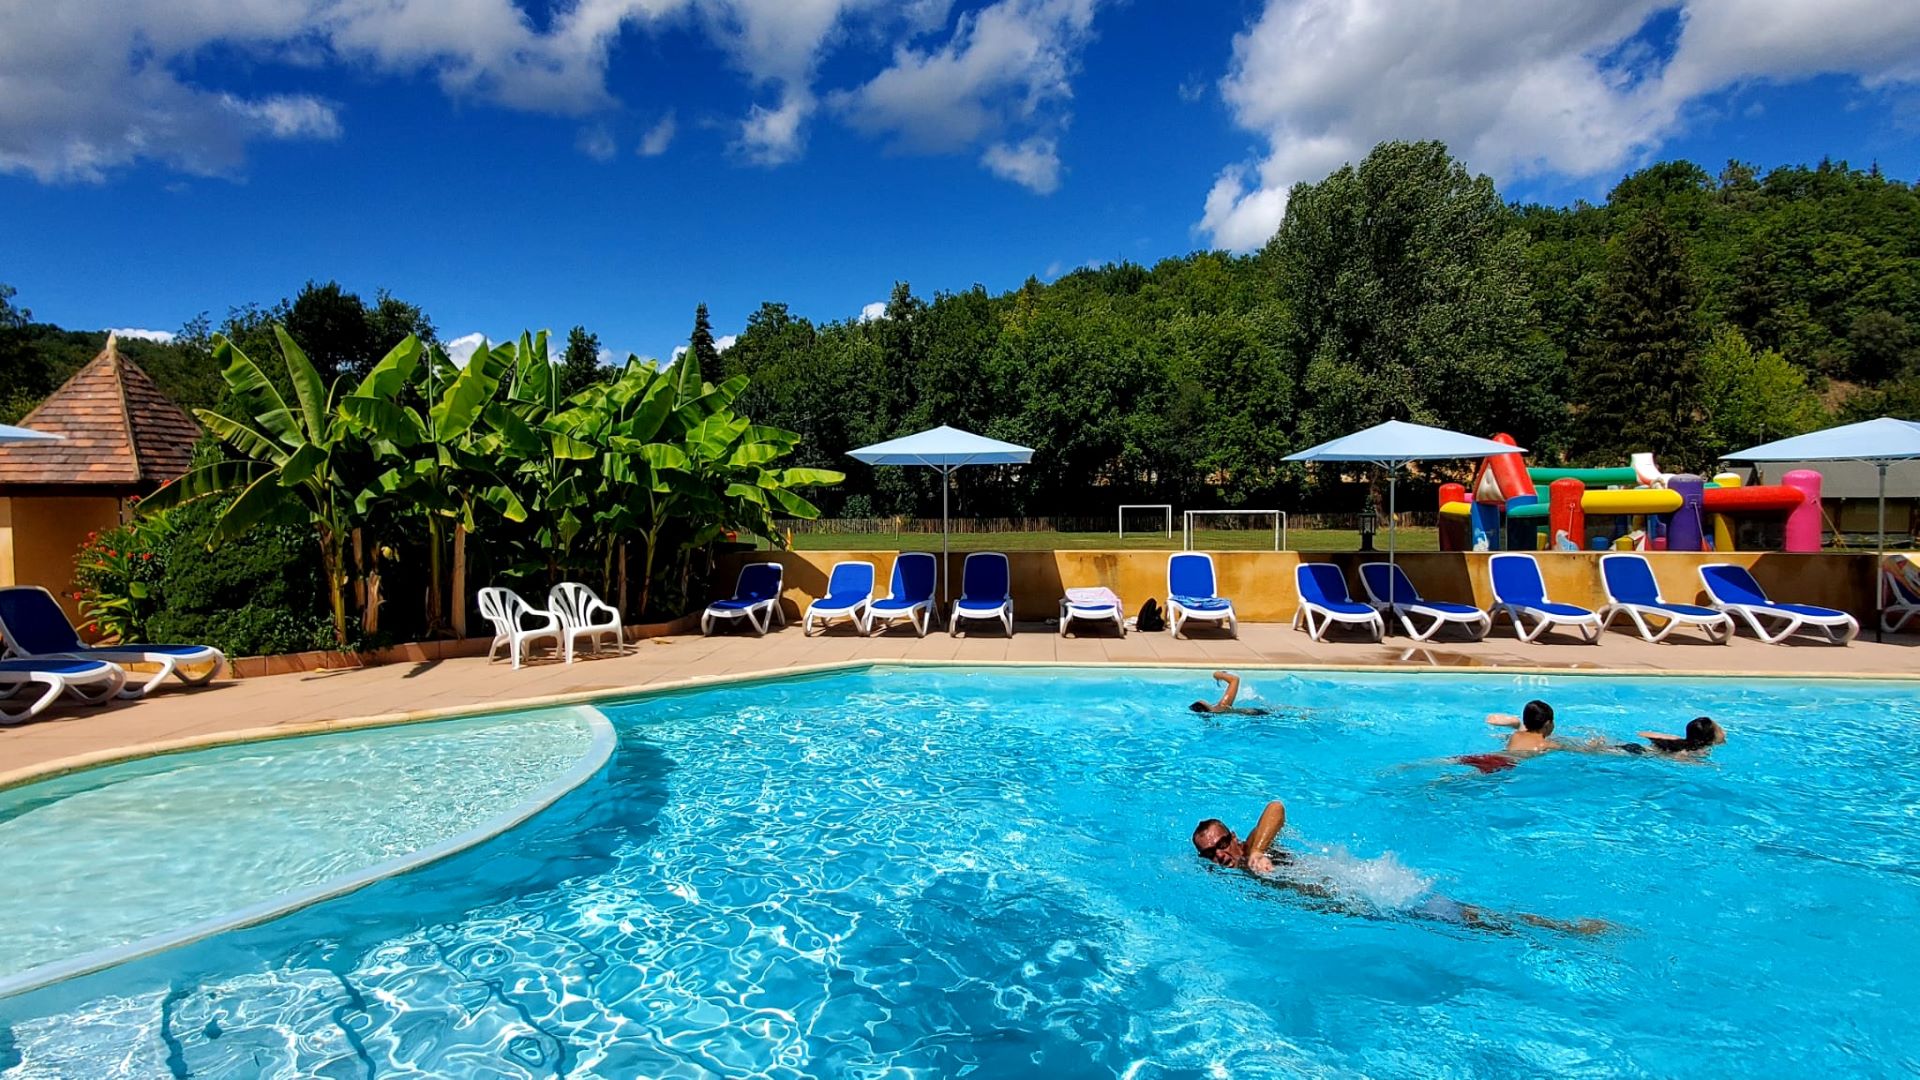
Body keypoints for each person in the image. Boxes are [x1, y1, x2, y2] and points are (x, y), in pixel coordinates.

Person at [1190, 799, 1608, 936]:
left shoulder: (1254, 849)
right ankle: (1551, 928)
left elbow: (1275, 807)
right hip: (1361, 905)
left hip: (1372, 892)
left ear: (1233, 837)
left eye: (1221, 844)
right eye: (1209, 855)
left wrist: (1259, 851)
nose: (1219, 856)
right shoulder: (1230, 874)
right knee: (1466, 925)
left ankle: (1566, 929)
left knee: (1471, 921)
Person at [1461, 699, 1560, 772]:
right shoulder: (1545, 744)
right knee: (1470, 778)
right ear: (1548, 724)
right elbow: (1571, 747)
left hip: (1487, 756)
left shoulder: (1517, 735)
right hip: (1504, 763)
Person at [1622, 716, 1726, 755]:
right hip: (1638, 753)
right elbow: (1680, 759)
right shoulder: (1697, 752)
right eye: (1720, 729)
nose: (1724, 731)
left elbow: (1642, 734)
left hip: (1635, 748)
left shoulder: (1677, 740)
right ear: (1709, 738)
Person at [1189, 671, 1270, 715]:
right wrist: (1217, 674)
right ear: (1207, 706)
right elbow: (1234, 679)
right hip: (1258, 714)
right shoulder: (1222, 706)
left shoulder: (1216, 715)